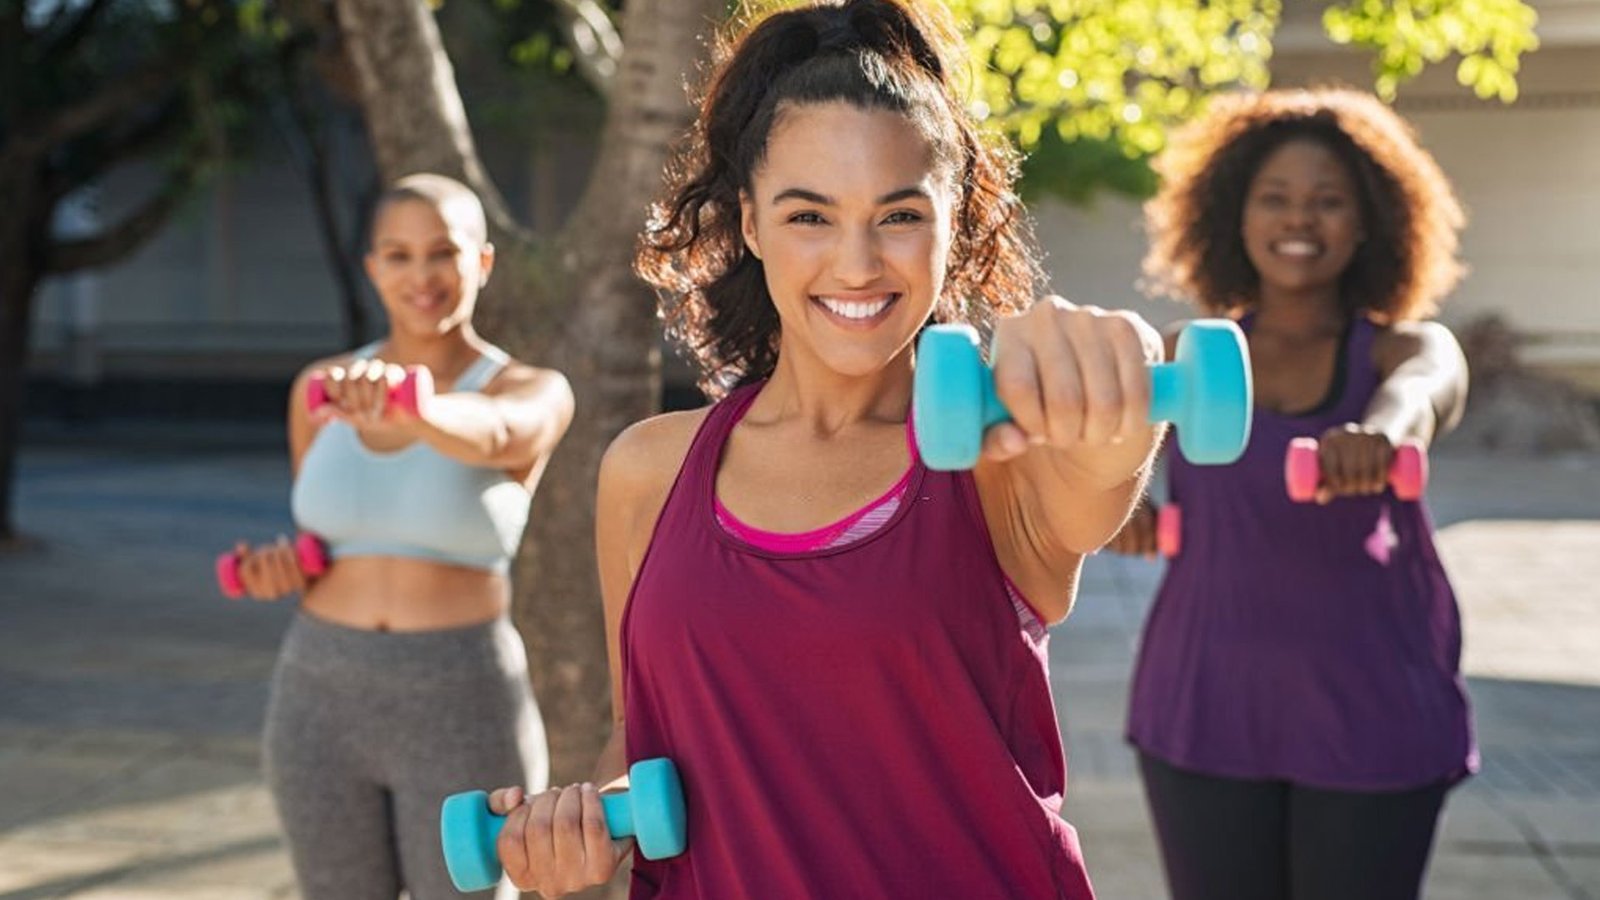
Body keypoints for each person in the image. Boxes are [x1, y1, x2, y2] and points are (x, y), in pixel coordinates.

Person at [476, 1, 1177, 897]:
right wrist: (586, 825)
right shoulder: (649, 471)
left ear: (955, 222)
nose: (856, 264)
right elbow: (643, 740)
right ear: (751, 223)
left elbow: (1103, 464)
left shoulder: (1001, 459)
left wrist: (1121, 376)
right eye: (810, 216)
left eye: (899, 216)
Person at [1107, 88, 1477, 900]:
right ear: (1233, 216)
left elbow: (1425, 390)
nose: (1299, 219)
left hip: (1374, 704)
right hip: (1207, 700)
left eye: (1328, 201)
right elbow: (1100, 462)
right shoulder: (1190, 353)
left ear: (1371, 220)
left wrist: (1380, 433)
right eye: (1273, 198)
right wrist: (1118, 508)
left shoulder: (1403, 348)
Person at [224, 173, 574, 899]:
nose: (422, 277)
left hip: (460, 693)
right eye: (399, 255)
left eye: (443, 252)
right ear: (373, 268)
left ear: (482, 261)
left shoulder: (527, 389)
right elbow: (327, 543)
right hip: (319, 689)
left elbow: (499, 433)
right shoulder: (321, 389)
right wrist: (284, 568)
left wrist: (412, 408)